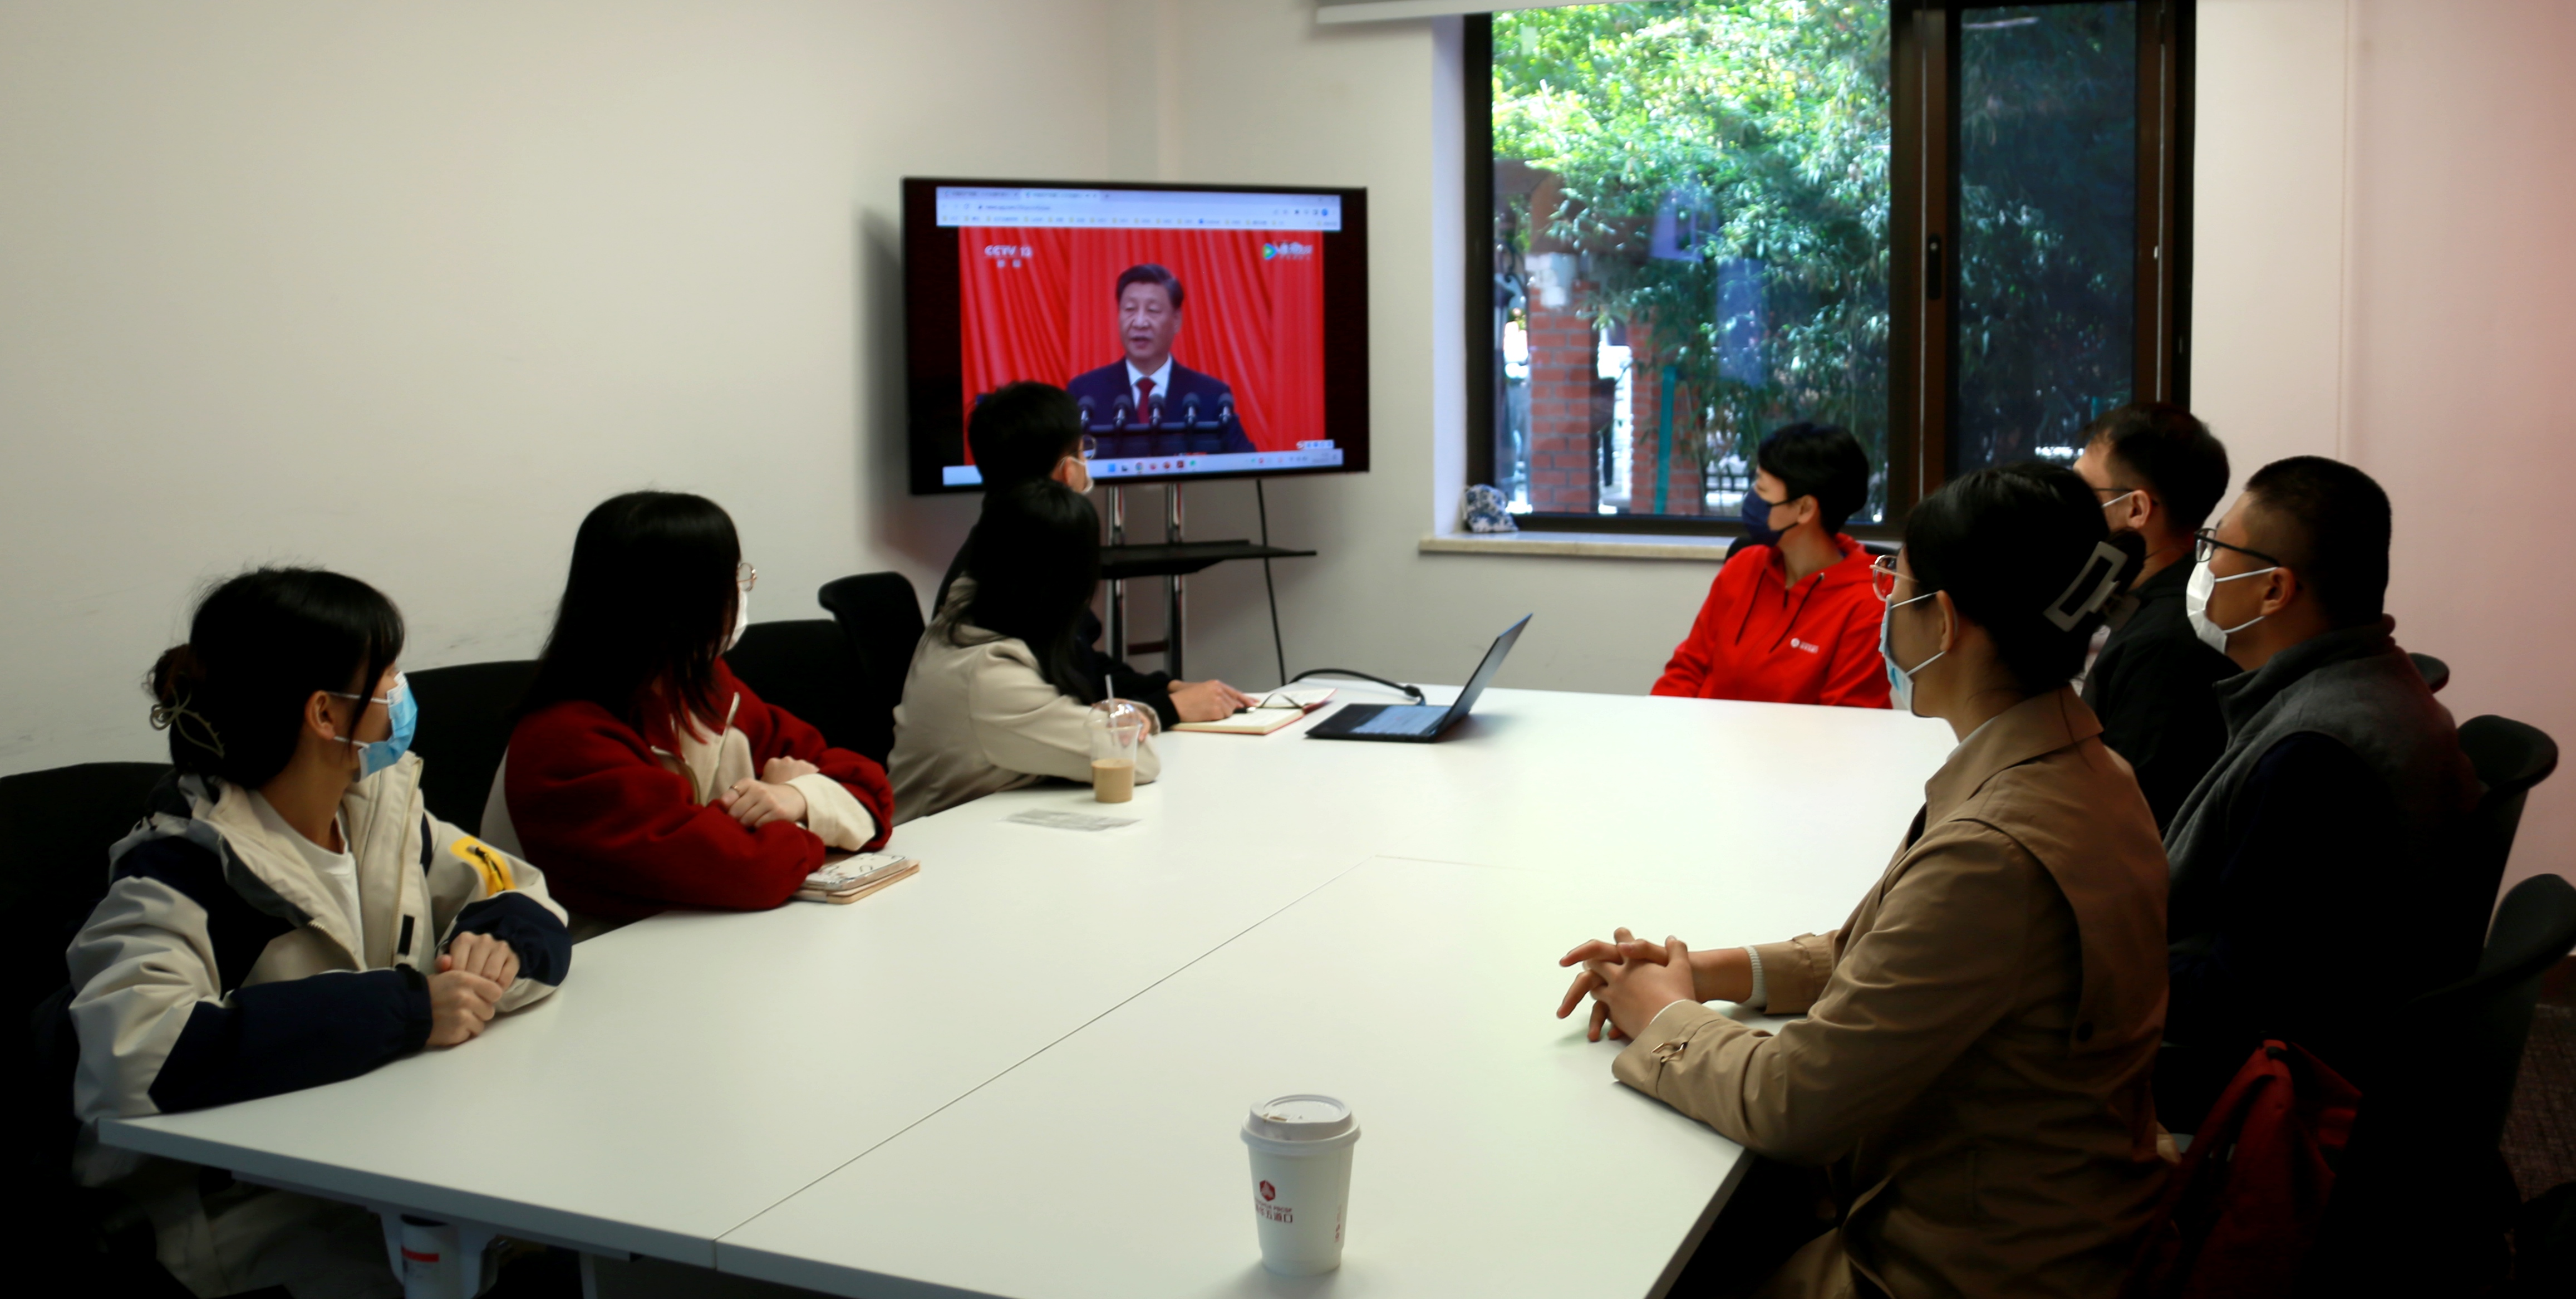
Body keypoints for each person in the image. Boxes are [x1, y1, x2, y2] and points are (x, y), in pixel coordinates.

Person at [1562, 464, 2169, 1297]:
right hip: (2047, 1214)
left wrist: (1662, 1016)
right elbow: (1879, 953)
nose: (1885, 604)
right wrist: (1700, 971)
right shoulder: (2082, 771)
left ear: (1944, 621)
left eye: (1897, 585)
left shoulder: (1992, 851)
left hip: (1960, 1267)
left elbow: (1793, 1102)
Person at [63, 567, 572, 1299]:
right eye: (387, 673)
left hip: (396, 1153)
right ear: (325, 714)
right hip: (251, 1215)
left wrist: (503, 946)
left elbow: (516, 888)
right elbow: (134, 1056)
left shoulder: (374, 810)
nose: (401, 689)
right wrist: (410, 1009)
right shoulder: (182, 870)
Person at [2157, 457, 2479, 1128]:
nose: (2202, 564)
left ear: (2273, 589)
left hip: (2266, 1082)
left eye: (2217, 546)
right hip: (2336, 1036)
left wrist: (2098, 965)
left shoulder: (2312, 757)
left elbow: (2233, 1002)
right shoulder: (2368, 680)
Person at [489, 492, 894, 932]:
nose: (740, 591)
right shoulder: (563, 739)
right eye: (728, 578)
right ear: (670, 603)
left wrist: (795, 797)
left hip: (712, 939)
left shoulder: (706, 687)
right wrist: (806, 810)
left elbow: (871, 794)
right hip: (602, 957)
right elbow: (748, 872)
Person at [938, 380, 1256, 727]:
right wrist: (1169, 708)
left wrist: (1168, 688)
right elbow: (1064, 715)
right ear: (1067, 471)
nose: (1086, 463)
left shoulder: (997, 546)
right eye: (1082, 451)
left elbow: (1081, 664)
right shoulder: (1016, 575)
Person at [891, 478, 1162, 821]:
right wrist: (1132, 719)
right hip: (934, 844)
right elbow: (1137, 763)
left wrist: (1124, 717)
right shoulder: (991, 676)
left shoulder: (961, 619)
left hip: (969, 827)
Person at [2073, 403, 2238, 831]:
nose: (2069, 510)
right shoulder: (2160, 604)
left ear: (2137, 509)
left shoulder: (2164, 645)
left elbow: (2130, 818)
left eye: (2082, 494)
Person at [1650, 423, 1889, 708]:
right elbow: (1688, 669)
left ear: (1804, 509)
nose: (1752, 498)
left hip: (1794, 739)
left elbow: (1846, 721)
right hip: (1707, 731)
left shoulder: (1867, 605)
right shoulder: (1744, 566)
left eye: (1762, 489)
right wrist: (1658, 722)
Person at [1063, 264, 1255, 456]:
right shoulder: (1085, 395)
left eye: (1153, 310)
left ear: (1177, 320)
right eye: (1130, 309)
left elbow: (1245, 466)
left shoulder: (1211, 396)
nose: (1140, 322)